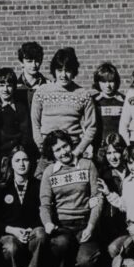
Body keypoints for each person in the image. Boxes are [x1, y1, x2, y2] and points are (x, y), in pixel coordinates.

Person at [39, 130, 103, 267]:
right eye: (57, 150)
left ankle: (80, 257)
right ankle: (67, 259)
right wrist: (48, 223)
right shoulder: (49, 172)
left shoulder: (87, 165)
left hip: (85, 225)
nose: (63, 152)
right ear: (52, 153)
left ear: (70, 144)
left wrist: (91, 227)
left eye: (65, 146)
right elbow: (45, 204)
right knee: (61, 261)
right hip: (63, 227)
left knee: (86, 263)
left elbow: (97, 198)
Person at [31, 47, 97, 176]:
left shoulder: (83, 95)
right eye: (59, 70)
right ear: (54, 71)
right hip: (48, 152)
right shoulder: (41, 92)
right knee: (39, 186)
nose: (63, 75)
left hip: (72, 151)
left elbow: (91, 127)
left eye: (68, 71)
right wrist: (43, 148)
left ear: (74, 72)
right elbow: (35, 124)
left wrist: (77, 151)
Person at [0, 145, 47, 267]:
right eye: (17, 160)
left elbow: (44, 211)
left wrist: (30, 229)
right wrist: (13, 230)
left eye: (25, 160)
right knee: (10, 247)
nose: (22, 164)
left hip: (31, 232)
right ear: (11, 164)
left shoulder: (38, 185)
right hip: (11, 235)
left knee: (41, 234)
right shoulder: (1, 188)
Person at [0, 67, 35, 197]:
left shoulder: (21, 107)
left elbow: (26, 134)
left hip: (16, 155)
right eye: (1, 85)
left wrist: (19, 152)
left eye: (9, 85)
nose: (5, 90)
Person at [96, 132, 129, 243]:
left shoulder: (132, 170)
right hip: (114, 224)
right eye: (109, 153)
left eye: (116, 152)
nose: (113, 157)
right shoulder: (104, 175)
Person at [91, 62, 125, 160]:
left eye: (111, 81)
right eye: (103, 82)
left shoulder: (123, 100)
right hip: (99, 148)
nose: (108, 85)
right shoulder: (94, 101)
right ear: (98, 82)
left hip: (118, 148)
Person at [14, 41, 48, 107]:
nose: (34, 65)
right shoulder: (14, 87)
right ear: (21, 63)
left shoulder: (48, 85)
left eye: (37, 61)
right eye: (29, 61)